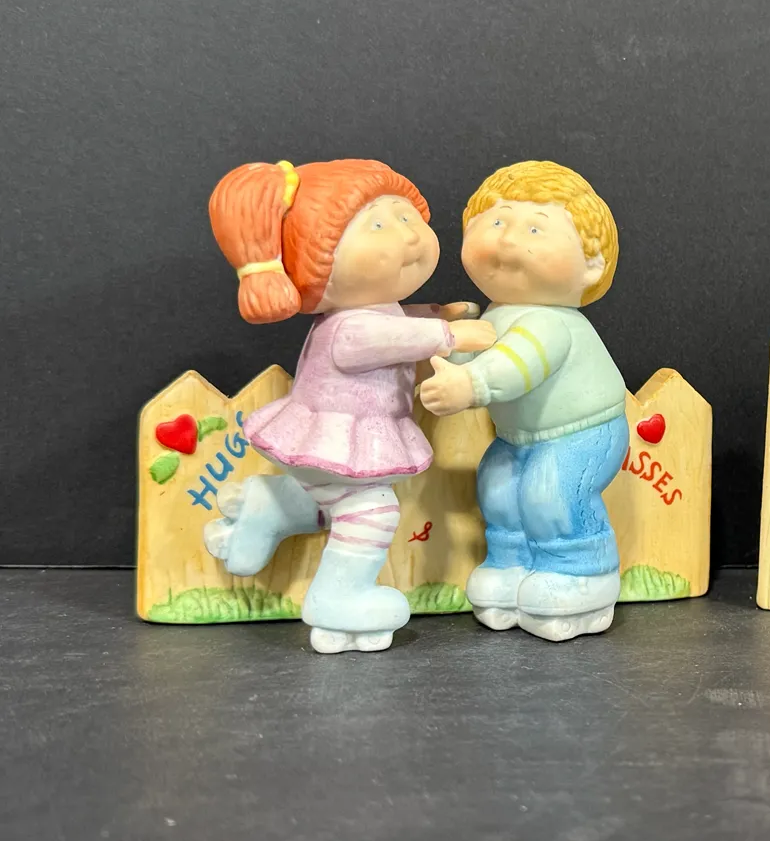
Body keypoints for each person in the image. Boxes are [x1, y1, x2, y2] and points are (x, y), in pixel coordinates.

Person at [205, 158, 494, 653]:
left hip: (336, 439)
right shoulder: (349, 328)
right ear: (320, 264)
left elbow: (396, 322)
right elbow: (386, 337)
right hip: (338, 435)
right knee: (371, 510)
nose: (408, 234)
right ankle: (339, 599)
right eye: (379, 226)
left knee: (335, 502)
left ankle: (269, 507)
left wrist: (433, 313)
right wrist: (448, 334)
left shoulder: (370, 311)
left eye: (407, 217)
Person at [419, 161, 628, 642]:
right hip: (518, 437)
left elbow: (516, 365)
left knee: (549, 493)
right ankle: (510, 565)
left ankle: (582, 574)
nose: (509, 239)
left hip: (581, 433)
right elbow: (477, 347)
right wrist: (448, 341)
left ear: (591, 264)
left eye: (535, 228)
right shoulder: (498, 313)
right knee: (498, 488)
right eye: (496, 221)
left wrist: (469, 385)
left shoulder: (550, 323)